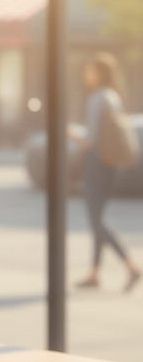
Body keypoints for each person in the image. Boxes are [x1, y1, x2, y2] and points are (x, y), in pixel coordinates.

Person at [70, 53, 141, 292]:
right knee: (97, 219)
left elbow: (90, 139)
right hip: (112, 166)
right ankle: (94, 273)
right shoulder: (113, 97)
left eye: (89, 70)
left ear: (99, 73)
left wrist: (70, 134)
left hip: (97, 164)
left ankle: (130, 266)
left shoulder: (97, 99)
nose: (85, 74)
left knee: (97, 221)